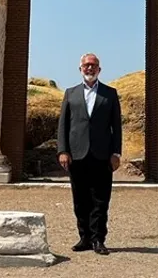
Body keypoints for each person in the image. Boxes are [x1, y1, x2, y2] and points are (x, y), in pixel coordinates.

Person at [56, 52, 122, 255]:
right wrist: (63, 150)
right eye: (86, 65)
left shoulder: (110, 94)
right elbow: (63, 125)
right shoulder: (71, 93)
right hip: (77, 154)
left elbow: (116, 126)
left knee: (101, 200)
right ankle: (84, 237)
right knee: (80, 199)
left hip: (102, 155)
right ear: (80, 69)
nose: (90, 68)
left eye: (93, 65)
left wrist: (116, 153)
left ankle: (98, 239)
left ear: (99, 70)